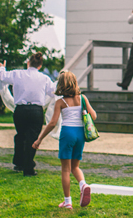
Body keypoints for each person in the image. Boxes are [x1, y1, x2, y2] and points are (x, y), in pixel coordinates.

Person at [33, 71, 96, 209]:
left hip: (67, 133)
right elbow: (94, 116)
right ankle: (83, 184)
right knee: (75, 166)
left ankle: (68, 202)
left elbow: (52, 123)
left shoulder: (60, 102)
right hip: (80, 134)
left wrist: (40, 138)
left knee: (66, 170)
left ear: (61, 85)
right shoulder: (83, 99)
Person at [0, 52, 56, 176]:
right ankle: (28, 167)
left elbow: (1, 76)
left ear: (28, 63)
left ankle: (19, 163)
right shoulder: (44, 78)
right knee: (32, 139)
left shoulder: (17, 74)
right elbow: (53, 92)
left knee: (20, 136)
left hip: (20, 110)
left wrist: (1, 67)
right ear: (40, 66)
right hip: (36, 111)